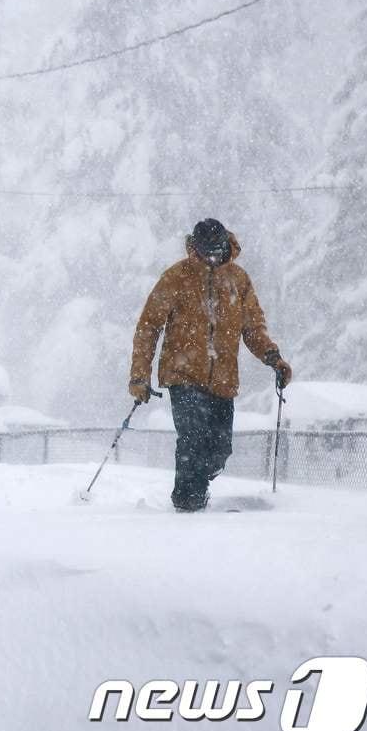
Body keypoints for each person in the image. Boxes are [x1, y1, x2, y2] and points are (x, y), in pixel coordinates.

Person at [129, 218, 293, 512]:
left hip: (223, 379)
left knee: (219, 450)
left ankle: (197, 487)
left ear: (226, 246)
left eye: (218, 251)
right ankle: (186, 501)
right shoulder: (176, 277)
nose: (213, 258)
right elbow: (149, 326)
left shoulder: (238, 280)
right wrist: (140, 375)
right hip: (182, 374)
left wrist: (273, 357)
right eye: (207, 252)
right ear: (196, 248)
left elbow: (253, 327)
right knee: (192, 437)